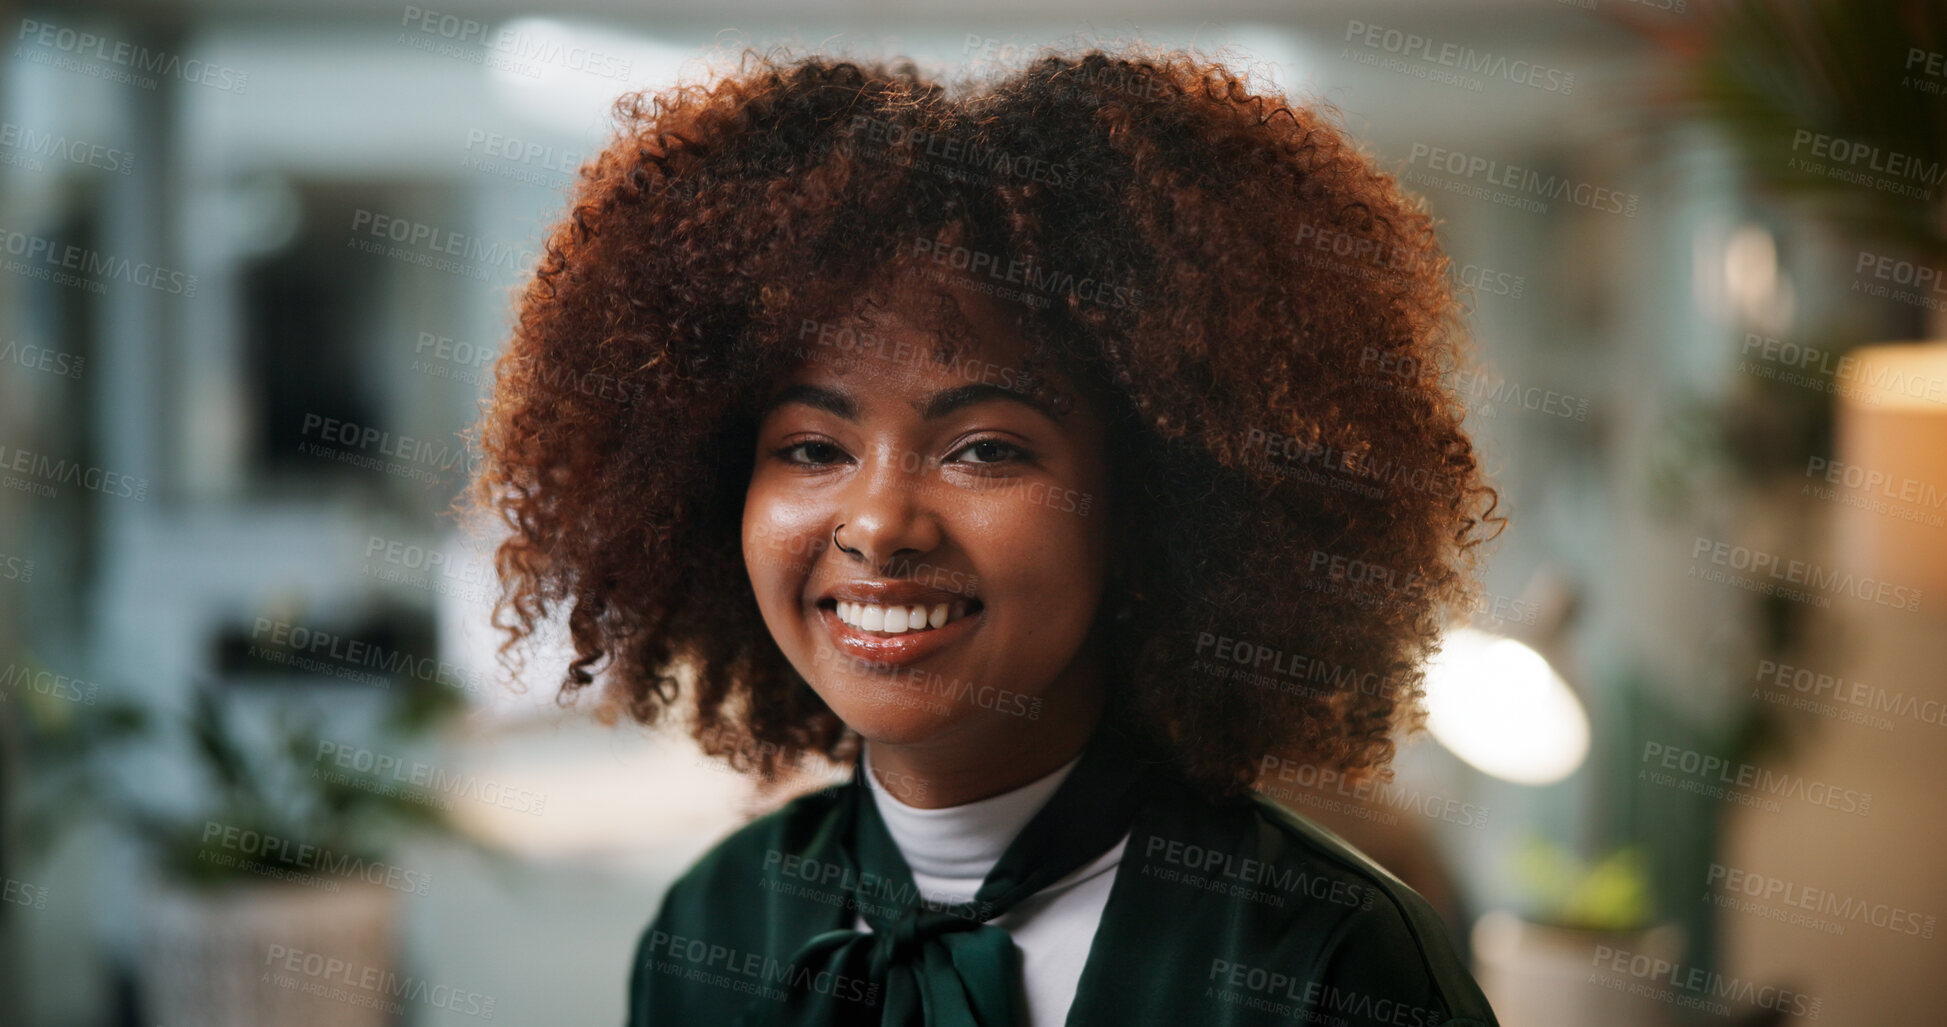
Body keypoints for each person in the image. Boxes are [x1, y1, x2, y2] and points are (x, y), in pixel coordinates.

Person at [464, 43, 1508, 1027]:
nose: (879, 524)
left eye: (985, 449)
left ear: (1152, 503)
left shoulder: (1327, 961)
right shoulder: (714, 924)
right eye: (814, 447)